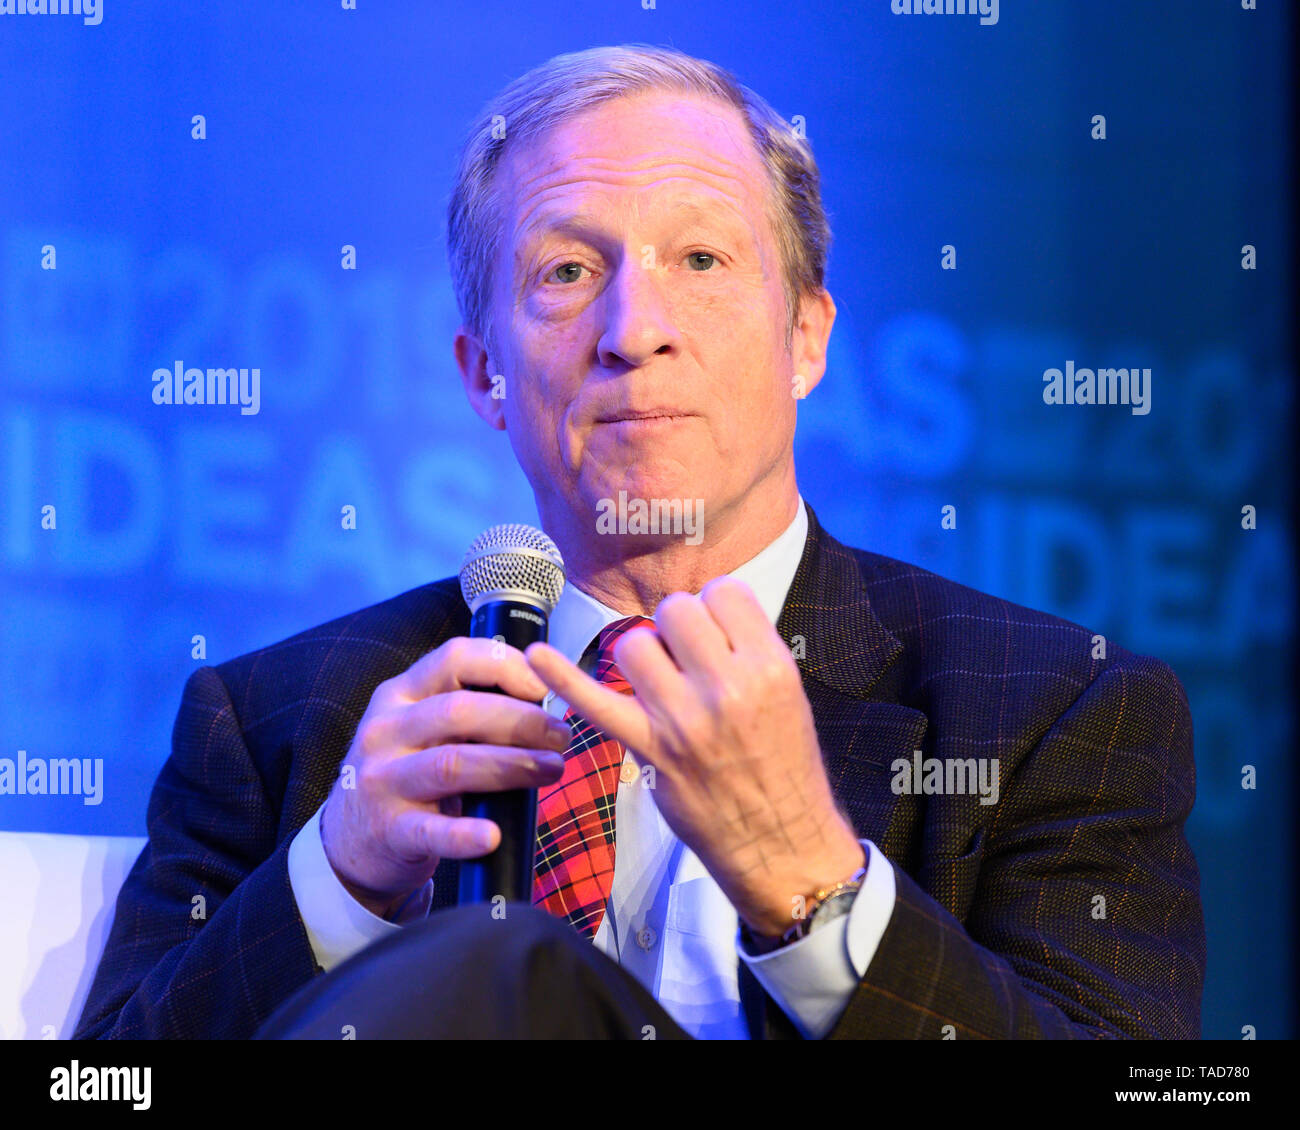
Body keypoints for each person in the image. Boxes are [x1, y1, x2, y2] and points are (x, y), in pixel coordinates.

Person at [75, 44, 1204, 1041]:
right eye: (567, 272)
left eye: (700, 262)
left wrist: (814, 883)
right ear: (484, 375)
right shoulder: (277, 724)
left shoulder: (1052, 712)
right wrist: (336, 881)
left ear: (806, 336)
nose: (633, 331)